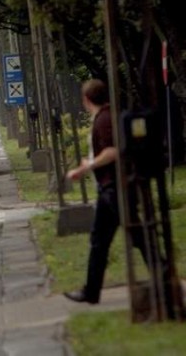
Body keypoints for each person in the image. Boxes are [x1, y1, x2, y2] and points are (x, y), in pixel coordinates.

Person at [64, 78, 146, 304]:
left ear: (86, 99)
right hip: (109, 188)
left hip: (115, 189)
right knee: (101, 240)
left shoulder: (104, 120)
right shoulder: (105, 117)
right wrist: (90, 162)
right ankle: (91, 292)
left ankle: (163, 278)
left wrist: (87, 167)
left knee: (137, 237)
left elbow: (111, 152)